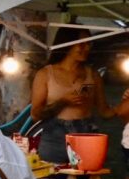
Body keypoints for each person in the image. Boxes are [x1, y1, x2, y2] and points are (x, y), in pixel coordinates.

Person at [30, 26, 118, 165]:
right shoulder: (46, 74)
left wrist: (123, 106)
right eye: (81, 44)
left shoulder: (92, 75)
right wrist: (62, 102)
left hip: (86, 134)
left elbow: (105, 111)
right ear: (67, 44)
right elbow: (35, 114)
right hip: (54, 134)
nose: (87, 48)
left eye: (89, 43)